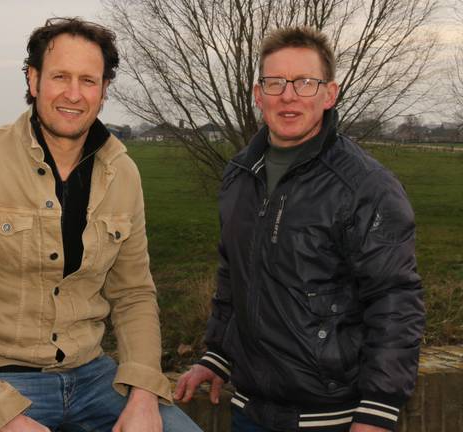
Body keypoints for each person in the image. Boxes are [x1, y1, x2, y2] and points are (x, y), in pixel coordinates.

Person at [0, 17, 203, 432]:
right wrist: (4, 416)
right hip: (0, 382)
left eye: (88, 80)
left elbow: (134, 295)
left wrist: (143, 395)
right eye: (60, 77)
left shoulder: (124, 173)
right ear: (33, 80)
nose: (73, 94)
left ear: (104, 91)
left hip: (97, 379)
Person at [174, 26, 424, 432]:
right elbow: (232, 273)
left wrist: (379, 408)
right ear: (259, 96)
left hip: (331, 417)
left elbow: (395, 300)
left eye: (305, 82)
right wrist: (217, 354)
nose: (288, 95)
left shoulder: (366, 187)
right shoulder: (240, 173)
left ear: (330, 94)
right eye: (275, 83)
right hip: (249, 410)